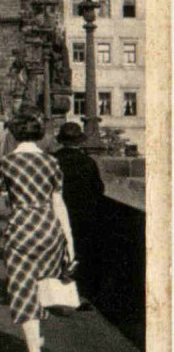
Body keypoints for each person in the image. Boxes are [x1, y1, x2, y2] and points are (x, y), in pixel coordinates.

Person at [0, 113, 76, 352]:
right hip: (49, 228)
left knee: (22, 287)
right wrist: (68, 238)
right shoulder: (51, 163)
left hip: (20, 229)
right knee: (43, 285)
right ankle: (36, 335)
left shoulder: (4, 164)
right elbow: (58, 202)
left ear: (14, 134)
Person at [53, 121, 105, 305]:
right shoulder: (88, 162)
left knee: (59, 251)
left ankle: (59, 291)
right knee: (82, 252)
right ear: (80, 141)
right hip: (84, 215)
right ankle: (80, 294)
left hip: (58, 213)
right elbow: (99, 188)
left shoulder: (52, 160)